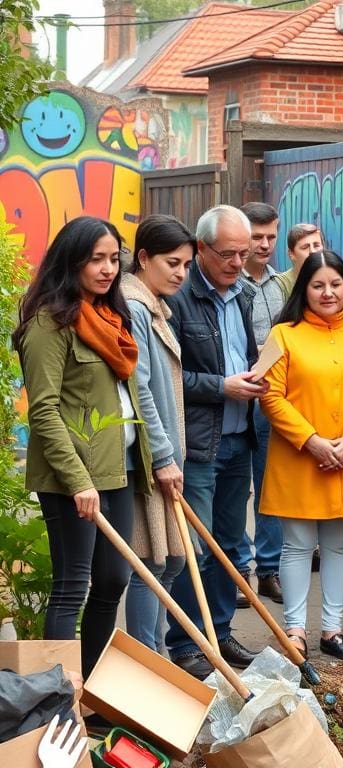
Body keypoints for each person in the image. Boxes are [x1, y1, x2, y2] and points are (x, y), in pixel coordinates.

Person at [14, 216, 152, 677]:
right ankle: (57, 695)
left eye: (114, 258)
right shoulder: (48, 325)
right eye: (96, 259)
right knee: (72, 586)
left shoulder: (112, 319)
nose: (108, 268)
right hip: (71, 479)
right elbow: (45, 411)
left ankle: (91, 689)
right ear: (71, 260)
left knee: (113, 580)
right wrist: (77, 481)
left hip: (116, 468)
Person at [259, 251, 343, 661]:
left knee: (337, 547)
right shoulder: (283, 335)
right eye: (318, 285)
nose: (328, 292)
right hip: (298, 456)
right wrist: (311, 440)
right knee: (297, 546)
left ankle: (332, 629)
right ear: (305, 289)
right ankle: (294, 630)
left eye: (335, 284)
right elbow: (270, 396)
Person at [164, 205, 266, 678]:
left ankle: (220, 635)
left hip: (239, 435)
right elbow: (167, 376)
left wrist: (257, 375)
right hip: (198, 444)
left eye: (243, 254)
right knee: (195, 546)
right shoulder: (178, 299)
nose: (238, 263)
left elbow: (242, 353)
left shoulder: (243, 293)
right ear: (201, 248)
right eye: (228, 254)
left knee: (229, 544)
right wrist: (221, 385)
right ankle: (186, 642)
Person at [120, 215, 195, 653]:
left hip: (165, 456)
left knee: (171, 560)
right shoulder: (135, 307)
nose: (180, 273)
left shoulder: (154, 305)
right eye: (172, 262)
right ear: (144, 258)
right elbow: (140, 387)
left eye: (186, 265)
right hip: (149, 459)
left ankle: (158, 655)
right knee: (150, 563)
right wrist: (164, 456)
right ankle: (148, 660)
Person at [235, 201, 285, 607]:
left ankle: (269, 570)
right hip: (235, 396)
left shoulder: (279, 284)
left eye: (271, 235)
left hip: (272, 397)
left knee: (271, 485)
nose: (265, 244)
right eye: (257, 236)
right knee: (236, 489)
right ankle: (239, 572)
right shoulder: (230, 284)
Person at [277, 223, 325, 296]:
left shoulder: (332, 281)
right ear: (291, 254)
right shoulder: (280, 285)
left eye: (316, 245)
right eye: (305, 247)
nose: (312, 251)